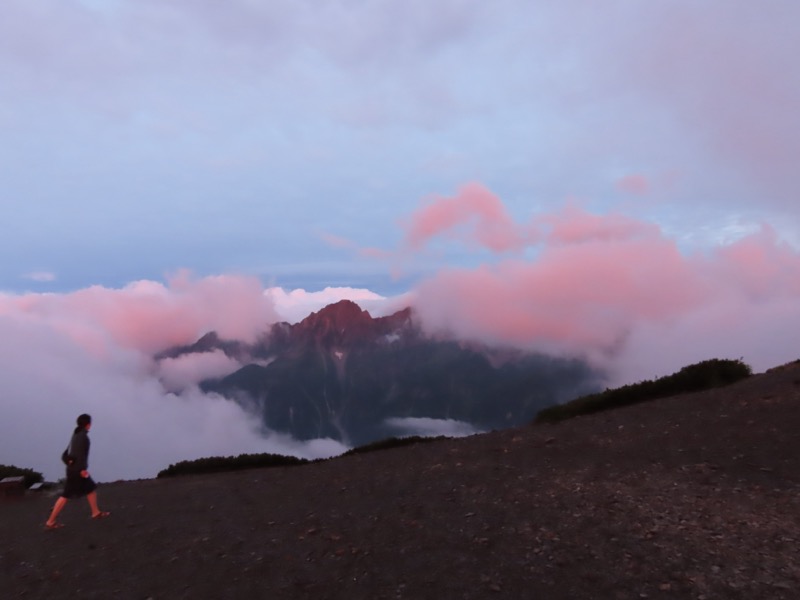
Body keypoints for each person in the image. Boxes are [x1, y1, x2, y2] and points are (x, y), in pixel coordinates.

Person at [45, 414, 110, 529]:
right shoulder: (83, 437)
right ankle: (50, 522)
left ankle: (96, 512)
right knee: (66, 495)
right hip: (76, 470)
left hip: (73, 469)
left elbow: (72, 454)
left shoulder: (76, 434)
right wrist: (81, 470)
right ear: (88, 424)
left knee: (90, 488)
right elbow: (80, 455)